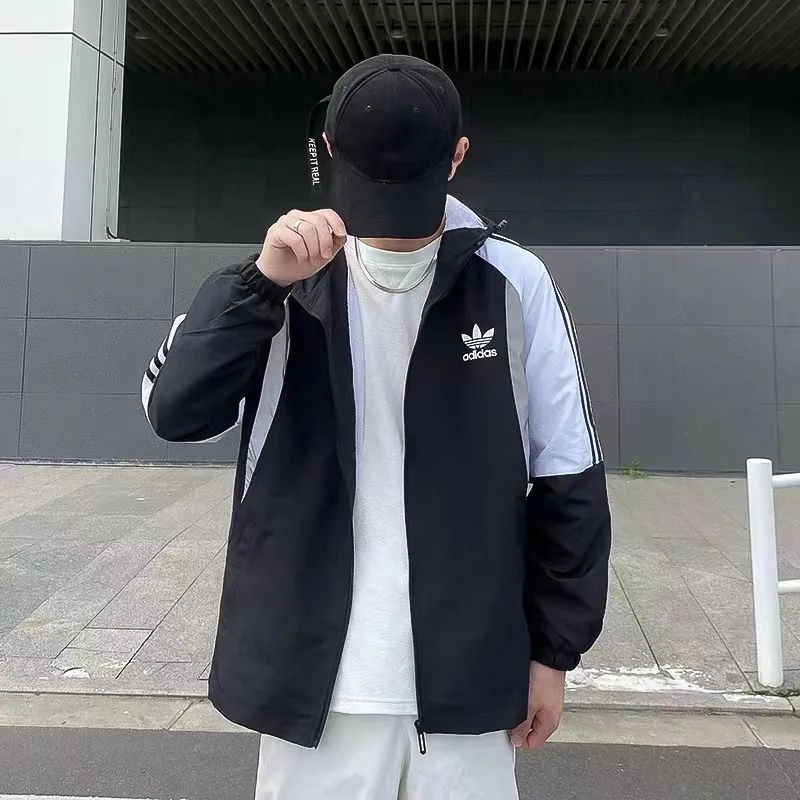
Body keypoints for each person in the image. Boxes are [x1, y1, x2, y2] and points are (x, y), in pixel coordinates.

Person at [142, 54, 611, 800]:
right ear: (328, 149)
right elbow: (175, 412)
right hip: (312, 679)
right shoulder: (279, 282)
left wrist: (553, 654)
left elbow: (569, 479)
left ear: (457, 157)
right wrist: (259, 284)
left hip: (468, 677)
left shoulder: (513, 281)